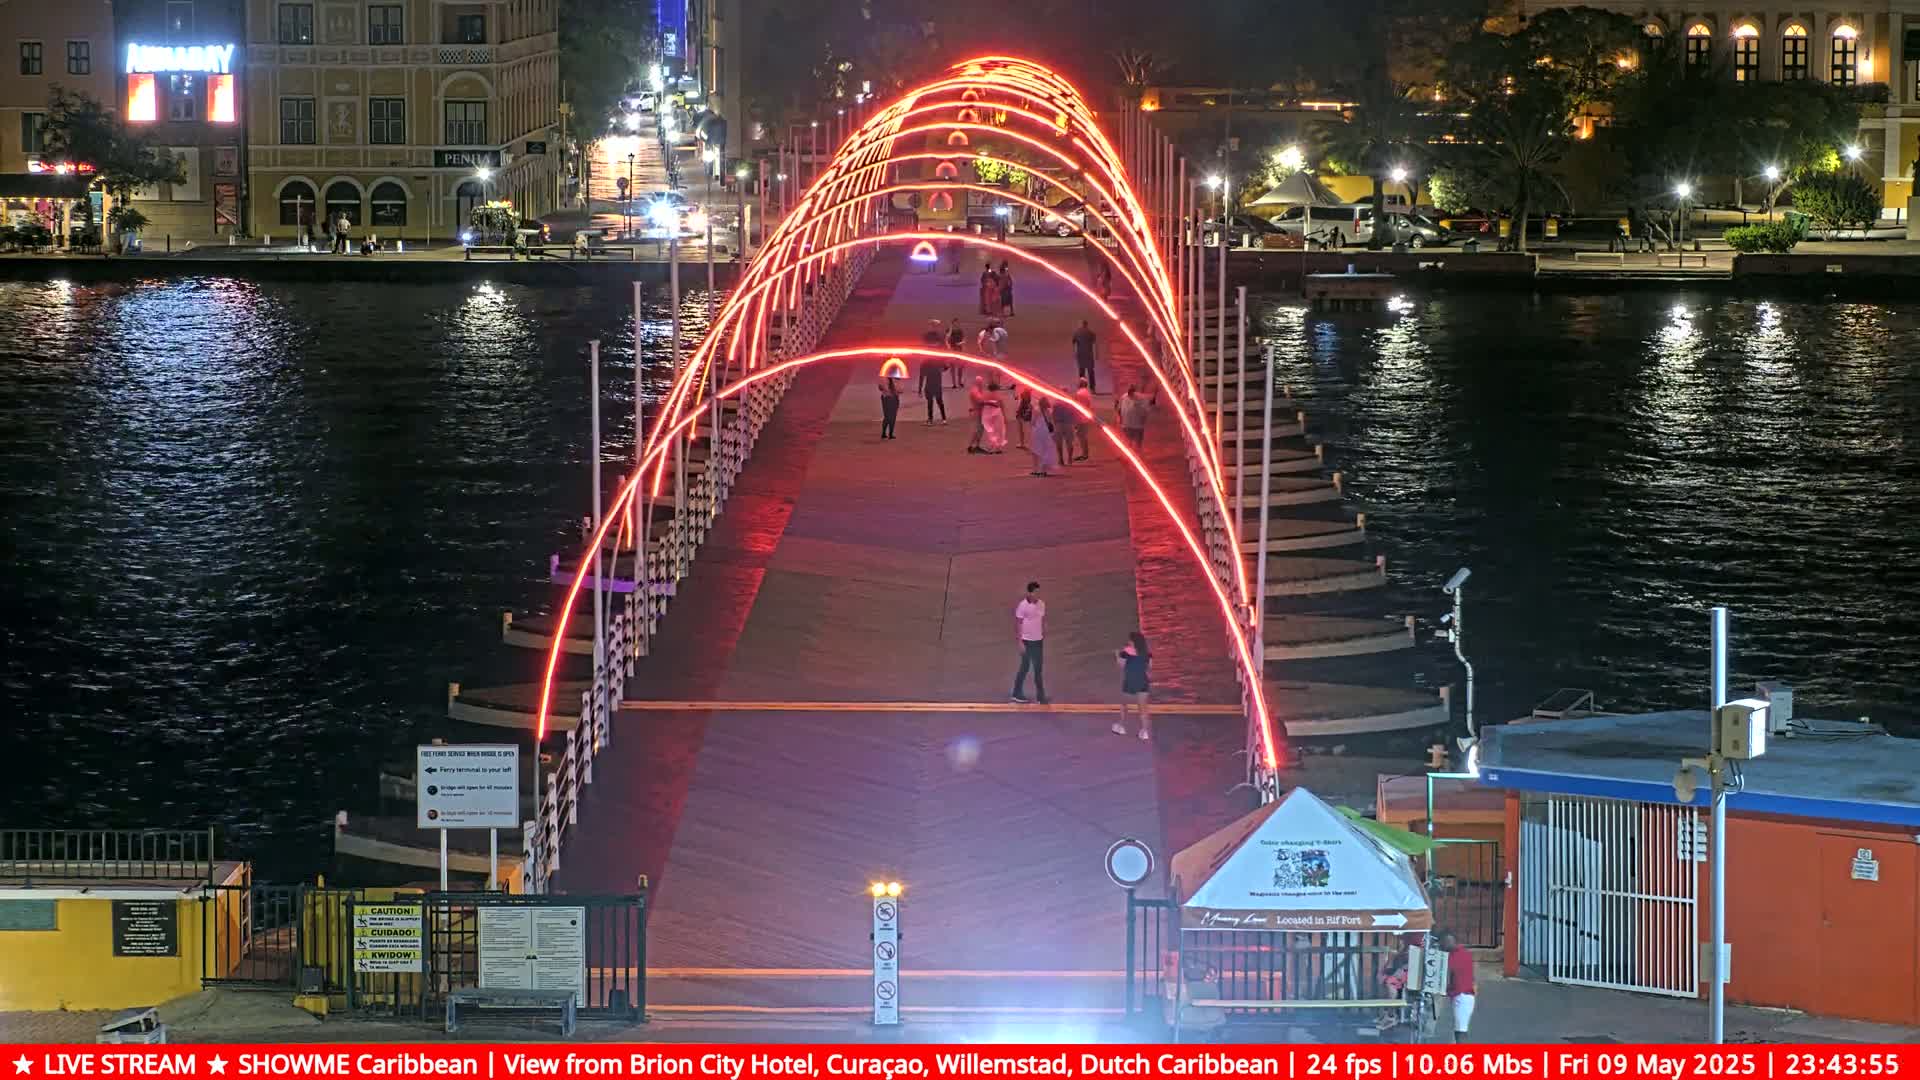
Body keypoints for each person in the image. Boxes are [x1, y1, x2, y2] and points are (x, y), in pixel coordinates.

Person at [1010, 581, 1049, 705]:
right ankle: (1016, 693)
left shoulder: (1042, 604)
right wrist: (1020, 641)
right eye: (1035, 592)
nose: (1037, 595)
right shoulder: (1023, 606)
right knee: (1025, 667)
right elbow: (1018, 623)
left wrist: (1043, 632)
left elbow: (1041, 620)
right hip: (1026, 641)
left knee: (1038, 669)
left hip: (1038, 641)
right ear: (1029, 592)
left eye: (1038, 592)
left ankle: (1040, 696)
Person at [1111, 631, 1152, 740]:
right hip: (1143, 682)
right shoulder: (1147, 653)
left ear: (1133, 641)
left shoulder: (1126, 651)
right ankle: (1145, 731)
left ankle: (1121, 726)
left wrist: (1116, 655)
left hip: (1130, 681)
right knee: (1143, 708)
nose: (1128, 641)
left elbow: (1121, 665)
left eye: (1130, 640)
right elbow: (1149, 667)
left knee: (1124, 705)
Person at [1438, 930, 1475, 1043]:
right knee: (1459, 1029)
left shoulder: (1452, 957)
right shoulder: (1465, 953)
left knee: (1460, 1031)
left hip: (1461, 996)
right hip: (1465, 995)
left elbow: (1447, 976)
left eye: (1442, 944)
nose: (1441, 946)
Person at [1116, 385, 1153, 450]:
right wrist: (1119, 418)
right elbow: (1119, 408)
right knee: (1128, 442)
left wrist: (1143, 419)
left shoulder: (1142, 399)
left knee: (1137, 443)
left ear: (1134, 391)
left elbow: (1146, 410)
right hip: (1127, 425)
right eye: (1129, 392)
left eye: (1131, 392)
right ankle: (1129, 454)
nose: (1130, 394)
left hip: (1138, 425)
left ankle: (1137, 454)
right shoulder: (1124, 397)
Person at [1028, 399, 1058, 477]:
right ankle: (1043, 470)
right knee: (1046, 449)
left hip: (1037, 431)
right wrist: (1054, 432)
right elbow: (1051, 422)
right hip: (1046, 432)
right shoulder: (1049, 411)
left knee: (1036, 450)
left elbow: (1033, 422)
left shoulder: (1036, 410)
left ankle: (1035, 469)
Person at [919, 353, 948, 424]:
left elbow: (921, 376)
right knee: (940, 402)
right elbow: (946, 367)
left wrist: (920, 389)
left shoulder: (924, 362)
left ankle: (930, 419)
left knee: (930, 402)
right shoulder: (939, 360)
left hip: (929, 384)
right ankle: (944, 419)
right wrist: (941, 370)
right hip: (937, 384)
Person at [980, 381, 1008, 453]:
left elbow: (982, 403)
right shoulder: (998, 395)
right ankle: (997, 448)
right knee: (999, 430)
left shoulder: (985, 395)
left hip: (987, 413)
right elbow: (1001, 405)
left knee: (989, 431)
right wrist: (1005, 416)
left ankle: (990, 447)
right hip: (996, 413)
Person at [966, 375, 991, 454]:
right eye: (980, 382)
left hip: (979, 411)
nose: (982, 384)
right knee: (977, 430)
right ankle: (971, 446)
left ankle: (976, 445)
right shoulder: (975, 391)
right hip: (978, 412)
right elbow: (980, 401)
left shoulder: (977, 390)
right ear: (978, 382)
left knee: (980, 429)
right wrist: (990, 402)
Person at [1071, 320, 1098, 393]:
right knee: (1091, 372)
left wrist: (1074, 353)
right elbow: (1095, 344)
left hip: (1081, 355)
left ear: (1081, 325)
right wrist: (1096, 354)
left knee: (1081, 372)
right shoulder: (1091, 333)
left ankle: (1082, 389)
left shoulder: (1077, 333)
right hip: (1089, 355)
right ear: (1086, 325)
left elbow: (1074, 344)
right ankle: (1092, 389)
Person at [1051, 393, 1076, 470]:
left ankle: (1061, 459)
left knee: (1059, 443)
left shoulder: (1056, 404)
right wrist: (1074, 424)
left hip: (1059, 425)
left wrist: (1054, 424)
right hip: (1068, 424)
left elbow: (1053, 415)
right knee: (1070, 443)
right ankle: (1070, 459)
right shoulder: (1070, 403)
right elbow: (1074, 414)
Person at [1073, 378, 1095, 462]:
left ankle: (1085, 454)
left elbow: (1075, 406)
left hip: (1080, 417)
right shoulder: (1087, 392)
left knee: (1081, 436)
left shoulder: (1079, 393)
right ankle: (1085, 453)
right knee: (1083, 436)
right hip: (1085, 416)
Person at [878, 373, 902, 439]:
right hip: (887, 399)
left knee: (893, 416)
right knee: (887, 416)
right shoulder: (884, 379)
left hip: (894, 399)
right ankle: (884, 432)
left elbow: (901, 390)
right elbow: (880, 387)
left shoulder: (898, 380)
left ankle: (891, 433)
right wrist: (883, 388)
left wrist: (896, 391)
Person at [947, 319, 967, 387]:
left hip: (959, 349)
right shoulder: (949, 330)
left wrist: (960, 343)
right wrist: (951, 328)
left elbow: (964, 340)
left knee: (960, 366)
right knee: (952, 366)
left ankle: (959, 381)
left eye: (957, 323)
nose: (956, 324)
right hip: (952, 349)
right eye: (954, 323)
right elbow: (947, 338)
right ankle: (954, 383)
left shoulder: (960, 331)